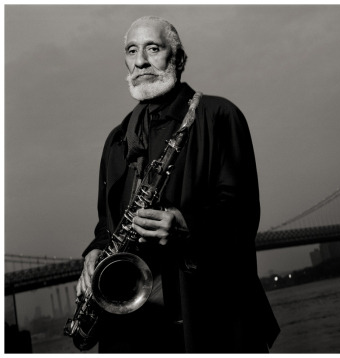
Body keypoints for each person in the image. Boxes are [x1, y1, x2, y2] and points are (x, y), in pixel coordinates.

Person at [76, 16, 280, 353]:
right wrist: (94, 251)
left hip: (203, 315)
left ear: (179, 59)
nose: (140, 61)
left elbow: (243, 212)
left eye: (152, 48)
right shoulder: (116, 140)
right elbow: (107, 223)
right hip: (133, 325)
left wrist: (187, 226)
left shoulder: (218, 115)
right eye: (131, 50)